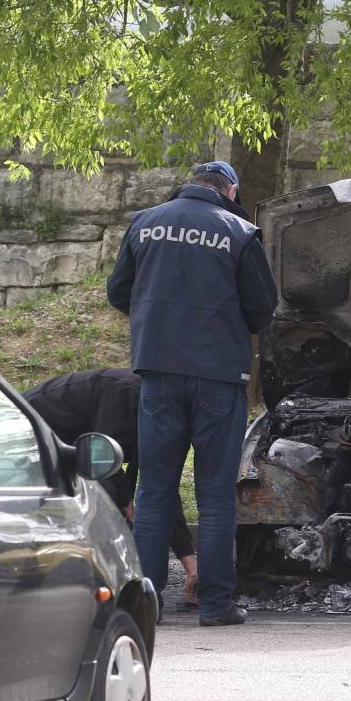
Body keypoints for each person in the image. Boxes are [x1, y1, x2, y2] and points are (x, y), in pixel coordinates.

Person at [106, 160, 278, 626]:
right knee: (216, 495)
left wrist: (156, 321)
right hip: (219, 378)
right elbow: (263, 308)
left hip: (158, 373)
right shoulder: (239, 232)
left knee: (156, 488)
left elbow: (118, 292)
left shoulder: (145, 223)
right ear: (231, 190)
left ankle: (145, 606)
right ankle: (217, 605)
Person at [23, 368, 199, 606]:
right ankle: (94, 583)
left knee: (134, 497)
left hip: (77, 443)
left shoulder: (158, 420)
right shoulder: (122, 393)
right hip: (29, 427)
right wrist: (127, 500)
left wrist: (190, 565)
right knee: (106, 493)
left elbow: (162, 489)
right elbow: (101, 460)